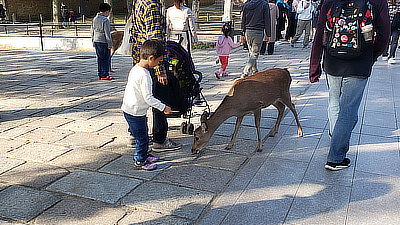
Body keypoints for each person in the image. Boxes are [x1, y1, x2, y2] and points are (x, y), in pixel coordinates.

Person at [309, 0, 390, 170]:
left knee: (334, 102)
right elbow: (384, 35)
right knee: (348, 110)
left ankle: (336, 136)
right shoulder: (378, 1)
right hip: (359, 63)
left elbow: (320, 32)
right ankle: (336, 158)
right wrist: (371, 56)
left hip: (332, 61)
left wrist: (314, 66)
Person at [130, 0, 182, 151]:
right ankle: (159, 139)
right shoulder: (152, 5)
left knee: (138, 97)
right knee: (159, 98)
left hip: (140, 57)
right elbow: (154, 39)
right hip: (152, 61)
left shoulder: (138, 1)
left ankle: (134, 134)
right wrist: (160, 70)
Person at [122, 40, 173, 170]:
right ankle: (140, 160)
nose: (158, 64)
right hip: (135, 112)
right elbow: (148, 98)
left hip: (131, 110)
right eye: (158, 61)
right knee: (142, 138)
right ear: (151, 58)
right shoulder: (145, 75)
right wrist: (163, 107)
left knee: (143, 135)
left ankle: (144, 154)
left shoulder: (136, 68)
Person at [241, 0, 271, 78]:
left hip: (248, 31)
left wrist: (242, 32)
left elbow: (243, 19)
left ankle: (255, 71)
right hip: (258, 30)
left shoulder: (247, 4)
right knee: (255, 54)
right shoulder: (264, 4)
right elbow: (267, 19)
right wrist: (269, 34)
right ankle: (245, 72)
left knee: (252, 53)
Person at [91, 3, 114, 80]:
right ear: (107, 11)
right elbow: (107, 33)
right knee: (106, 58)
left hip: (96, 40)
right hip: (103, 41)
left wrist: (93, 41)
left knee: (99, 58)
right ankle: (105, 74)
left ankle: (100, 73)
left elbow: (92, 31)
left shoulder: (95, 19)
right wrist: (110, 44)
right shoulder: (105, 20)